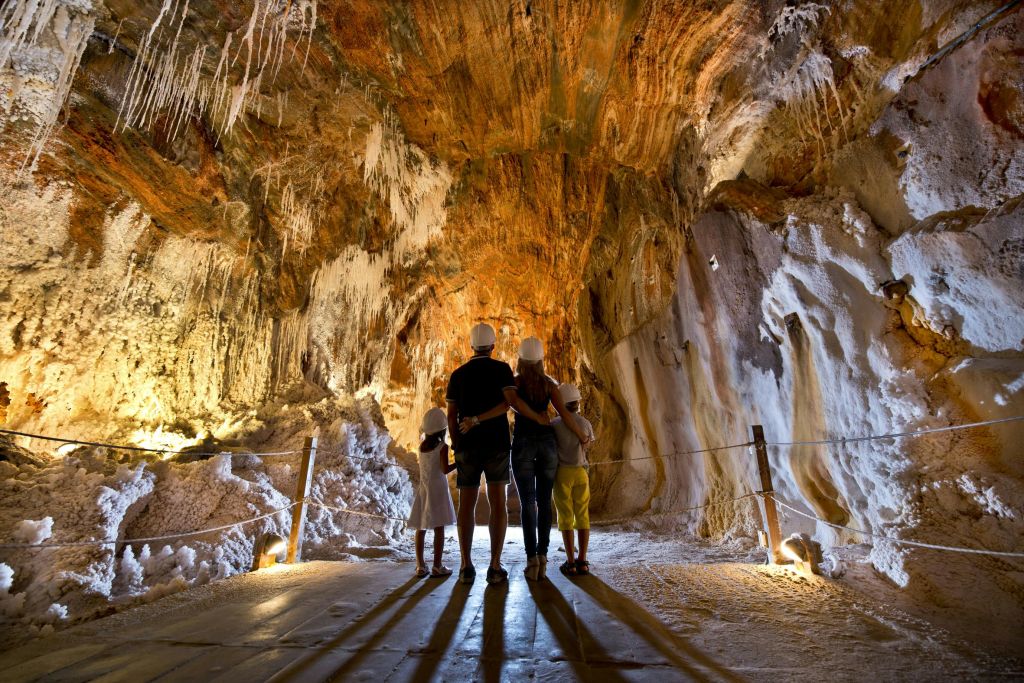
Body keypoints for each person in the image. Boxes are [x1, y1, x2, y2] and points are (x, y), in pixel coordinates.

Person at [446, 323, 549, 585]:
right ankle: (494, 566)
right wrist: (537, 417)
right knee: (498, 502)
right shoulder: (502, 370)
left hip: (467, 446)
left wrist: (457, 442)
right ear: (492, 346)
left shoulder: (457, 375)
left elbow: (451, 414)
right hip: (496, 445)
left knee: (466, 504)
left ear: (471, 346)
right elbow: (509, 403)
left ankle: (466, 566)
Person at [504, 337, 591, 581]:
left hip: (523, 442)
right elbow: (565, 415)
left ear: (521, 360)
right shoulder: (550, 385)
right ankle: (543, 556)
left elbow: (512, 403)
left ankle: (532, 559)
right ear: (541, 360)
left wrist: (531, 416)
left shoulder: (515, 383)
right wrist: (582, 436)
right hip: (547, 444)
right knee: (544, 502)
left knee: (528, 503)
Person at [551, 383, 595, 576]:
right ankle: (583, 560)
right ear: (577, 402)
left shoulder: (554, 425)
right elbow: (587, 446)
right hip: (580, 472)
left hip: (562, 473)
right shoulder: (585, 423)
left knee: (566, 517)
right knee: (582, 515)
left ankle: (570, 562)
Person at [407, 407, 457, 578]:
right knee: (439, 528)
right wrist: (458, 463)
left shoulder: (421, 446)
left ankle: (420, 565)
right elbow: (444, 469)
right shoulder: (443, 447)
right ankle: (437, 565)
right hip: (438, 490)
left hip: (424, 488)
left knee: (420, 528)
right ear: (443, 430)